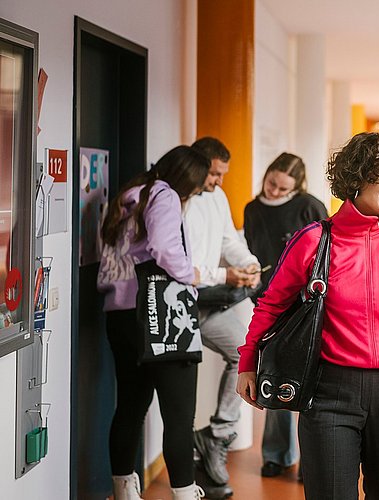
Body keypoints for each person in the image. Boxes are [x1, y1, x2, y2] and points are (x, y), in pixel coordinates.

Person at [237, 132, 379, 500]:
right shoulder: (313, 239)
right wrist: (247, 362)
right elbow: (271, 304)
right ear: (358, 176)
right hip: (327, 390)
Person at [97, 145, 209, 500]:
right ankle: (185, 493)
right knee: (178, 416)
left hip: (121, 316)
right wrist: (188, 274)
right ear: (187, 180)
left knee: (130, 406)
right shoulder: (165, 196)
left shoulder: (127, 198)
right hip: (160, 316)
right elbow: (163, 246)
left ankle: (124, 492)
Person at [241, 151, 327, 479]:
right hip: (269, 301)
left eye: (282, 188)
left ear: (297, 186)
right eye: (271, 184)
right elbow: (251, 249)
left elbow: (325, 253)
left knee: (312, 382)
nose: (274, 191)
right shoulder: (252, 209)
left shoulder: (310, 206)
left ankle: (312, 459)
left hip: (308, 305)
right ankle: (276, 454)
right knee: (273, 377)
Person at [184, 137, 261, 497]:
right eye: (214, 174)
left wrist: (247, 262)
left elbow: (229, 238)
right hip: (185, 303)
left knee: (251, 355)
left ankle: (215, 437)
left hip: (213, 299)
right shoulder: (178, 200)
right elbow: (184, 267)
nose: (218, 181)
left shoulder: (215, 195)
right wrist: (226, 275)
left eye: (221, 174)